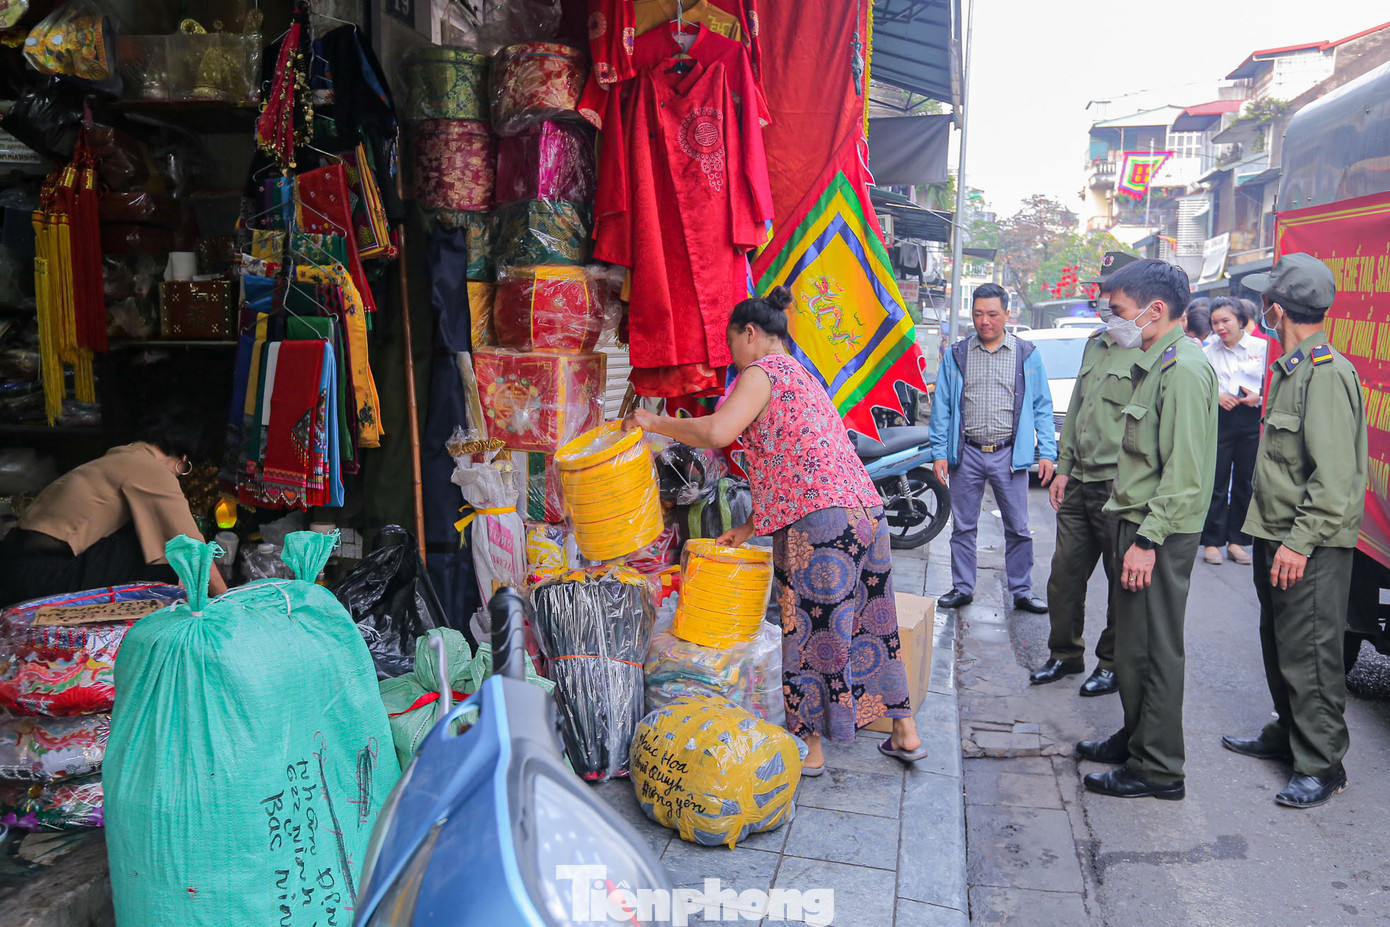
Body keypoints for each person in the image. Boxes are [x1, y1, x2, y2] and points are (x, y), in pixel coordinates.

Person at [627, 286, 926, 775]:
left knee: (809, 630)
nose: (733, 360)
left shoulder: (761, 372)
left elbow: (718, 432)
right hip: (865, 514)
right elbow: (793, 462)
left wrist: (652, 422)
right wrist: (747, 528)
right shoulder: (804, 377)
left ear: (751, 334)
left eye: (733, 347)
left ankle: (811, 749)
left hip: (822, 523)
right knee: (876, 623)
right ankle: (904, 731)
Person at [1223, 253, 1367, 809]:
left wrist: (1297, 543)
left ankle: (1322, 763)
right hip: (1277, 534)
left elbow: (1334, 481)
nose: (1261, 306)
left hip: (1306, 543)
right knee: (1280, 644)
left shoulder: (1326, 374)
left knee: (1310, 652)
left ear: (1276, 309)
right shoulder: (1291, 368)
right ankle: (1288, 732)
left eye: (1265, 299)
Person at [1075, 259, 1217, 801]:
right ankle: (1137, 739)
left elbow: (1183, 475)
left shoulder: (1182, 368)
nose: (1113, 323)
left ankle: (1157, 768)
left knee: (1154, 650)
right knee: (1133, 649)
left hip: (1156, 530)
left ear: (1155, 311)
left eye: (1120, 313)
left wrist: (1147, 541)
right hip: (1135, 522)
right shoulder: (1155, 362)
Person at [1029, 270, 1142, 696]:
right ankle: (1064, 654)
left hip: (1119, 484)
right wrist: (1063, 467)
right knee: (1064, 574)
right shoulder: (1097, 341)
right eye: (1101, 293)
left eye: (1111, 293)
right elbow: (1078, 408)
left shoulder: (1147, 347)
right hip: (1080, 479)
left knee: (1119, 581)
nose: (1104, 301)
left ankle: (1111, 663)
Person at [0, 410, 227, 606]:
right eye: (185, 469)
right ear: (182, 458)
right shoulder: (150, 468)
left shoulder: (119, 457)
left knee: (151, 539)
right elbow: (193, 548)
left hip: (13, 567)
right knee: (167, 553)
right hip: (39, 577)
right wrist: (227, 602)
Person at [928, 283, 1055, 613]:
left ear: (1006, 315)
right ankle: (962, 587)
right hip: (967, 453)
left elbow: (1042, 405)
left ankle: (1022, 590)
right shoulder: (957, 354)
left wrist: (1047, 454)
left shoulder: (1026, 355)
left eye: (992, 314)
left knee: (1018, 527)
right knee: (963, 527)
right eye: (978, 314)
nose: (985, 321)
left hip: (1009, 455)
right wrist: (940, 452)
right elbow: (942, 405)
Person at [1201, 297, 1267, 566]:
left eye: (1225, 320)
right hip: (1220, 419)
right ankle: (1212, 541)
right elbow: (1201, 385)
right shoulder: (1207, 352)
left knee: (1244, 483)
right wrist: (1216, 395)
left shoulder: (1261, 347)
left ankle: (1237, 541)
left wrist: (1259, 397)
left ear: (1241, 320)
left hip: (1251, 419)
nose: (1220, 327)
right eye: (1215, 322)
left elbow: (1273, 383)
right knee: (1215, 482)